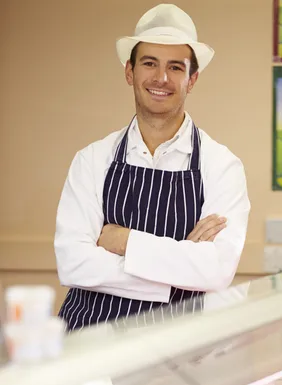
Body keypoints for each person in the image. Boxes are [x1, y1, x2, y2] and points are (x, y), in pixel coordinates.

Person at [55, 3, 250, 331]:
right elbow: (74, 263)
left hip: (177, 347)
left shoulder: (222, 166)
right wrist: (178, 276)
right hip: (90, 338)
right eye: (150, 63)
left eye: (176, 67)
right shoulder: (92, 159)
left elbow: (216, 270)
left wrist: (124, 241)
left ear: (192, 79)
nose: (161, 78)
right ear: (129, 72)